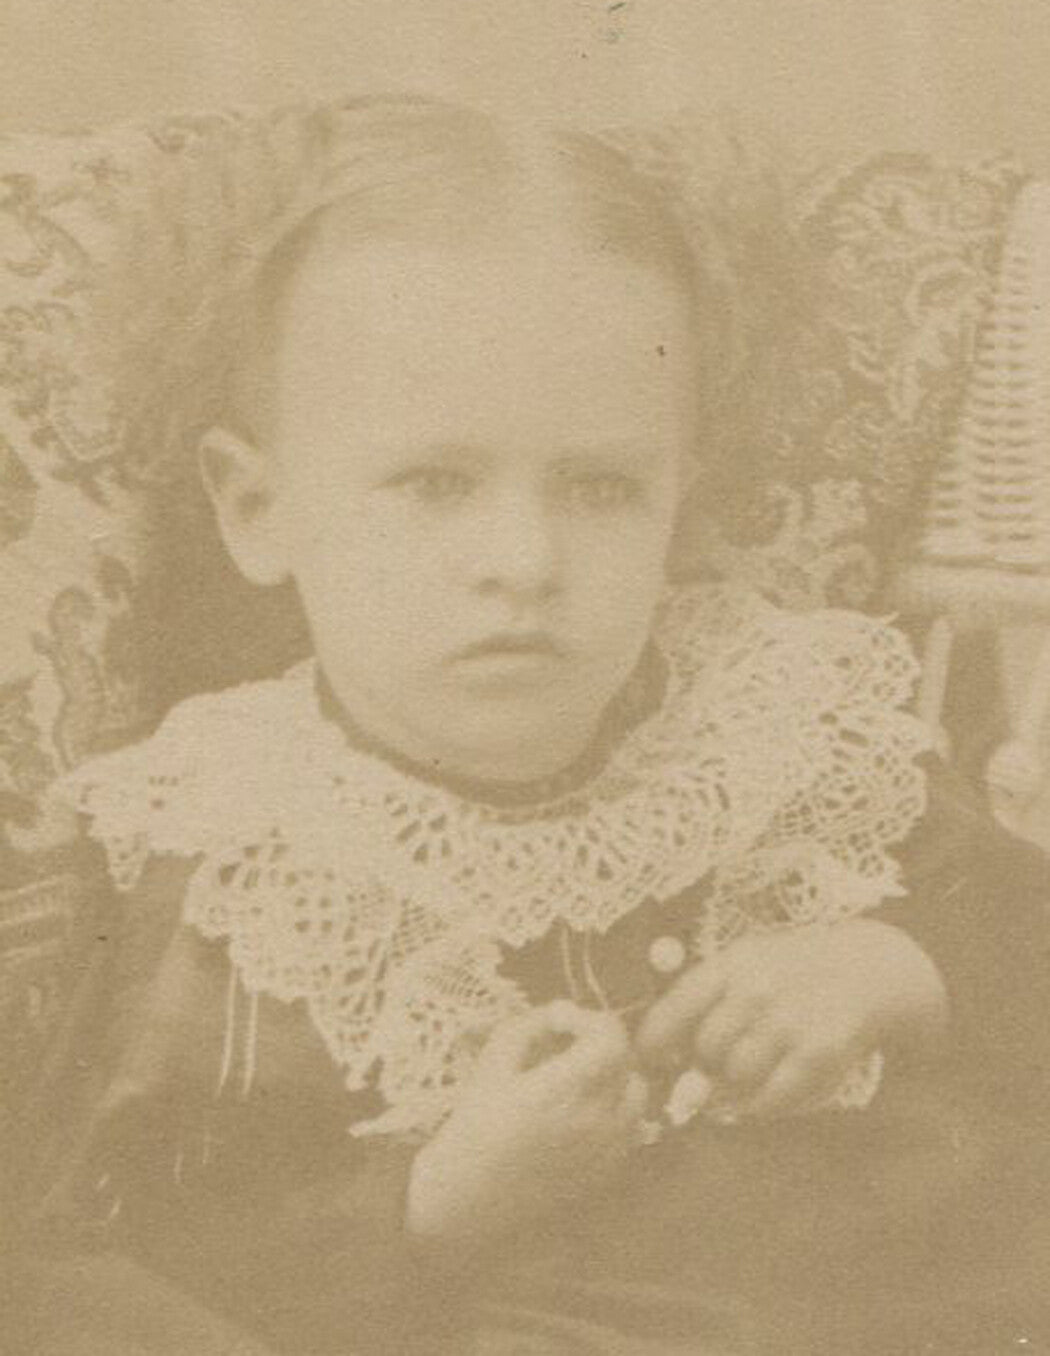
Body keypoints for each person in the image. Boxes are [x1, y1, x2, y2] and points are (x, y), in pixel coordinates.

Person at [21, 96, 1050, 1355]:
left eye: (600, 486)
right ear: (257, 508)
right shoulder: (231, 852)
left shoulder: (789, 735)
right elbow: (107, 1264)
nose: (524, 559)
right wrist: (430, 1206)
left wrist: (901, 971)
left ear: (681, 495)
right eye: (435, 484)